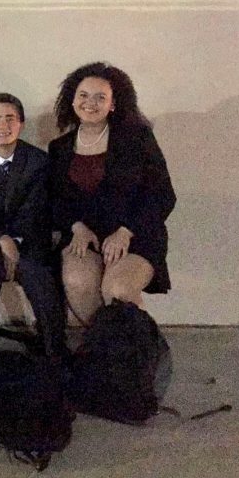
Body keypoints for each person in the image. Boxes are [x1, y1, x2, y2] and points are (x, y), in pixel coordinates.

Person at [48, 62, 176, 324]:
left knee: (117, 291)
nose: (90, 103)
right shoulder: (59, 148)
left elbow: (162, 194)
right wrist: (76, 227)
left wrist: (125, 231)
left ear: (113, 104)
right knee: (78, 284)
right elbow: (55, 199)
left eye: (100, 97)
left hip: (135, 234)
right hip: (85, 235)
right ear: (72, 101)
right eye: (83, 95)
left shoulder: (137, 139)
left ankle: (140, 355)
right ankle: (100, 353)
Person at [0, 93, 66, 365]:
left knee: (37, 274)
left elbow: (35, 208)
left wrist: (15, 243)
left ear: (21, 124)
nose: (2, 126)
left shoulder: (39, 161)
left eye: (10, 119)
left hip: (29, 238)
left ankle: (54, 354)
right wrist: (1, 239)